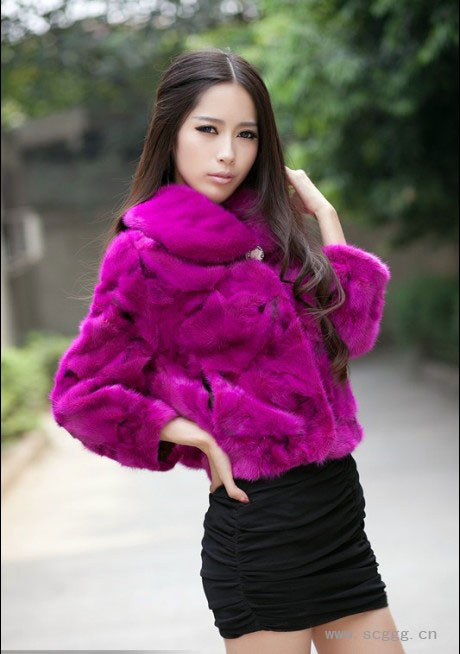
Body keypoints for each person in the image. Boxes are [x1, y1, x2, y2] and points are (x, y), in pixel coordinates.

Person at [49, 48, 406, 654]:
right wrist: (189, 434)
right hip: (261, 532)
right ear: (171, 133)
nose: (228, 154)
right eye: (208, 130)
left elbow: (350, 338)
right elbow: (79, 394)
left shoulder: (273, 233)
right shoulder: (145, 253)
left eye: (246, 134)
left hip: (339, 518)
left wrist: (327, 221)